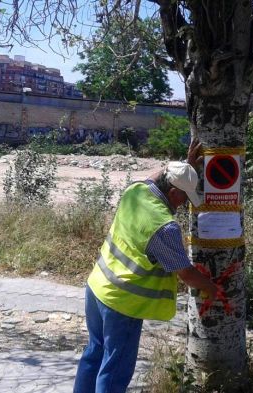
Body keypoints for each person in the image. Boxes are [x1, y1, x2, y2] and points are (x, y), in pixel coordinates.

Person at [74, 140, 219, 393]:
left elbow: (159, 174)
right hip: (123, 303)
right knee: (114, 370)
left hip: (97, 287)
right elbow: (185, 273)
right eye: (184, 197)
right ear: (173, 193)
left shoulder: (135, 190)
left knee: (94, 352)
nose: (183, 205)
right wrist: (211, 288)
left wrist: (184, 167)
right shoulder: (165, 227)